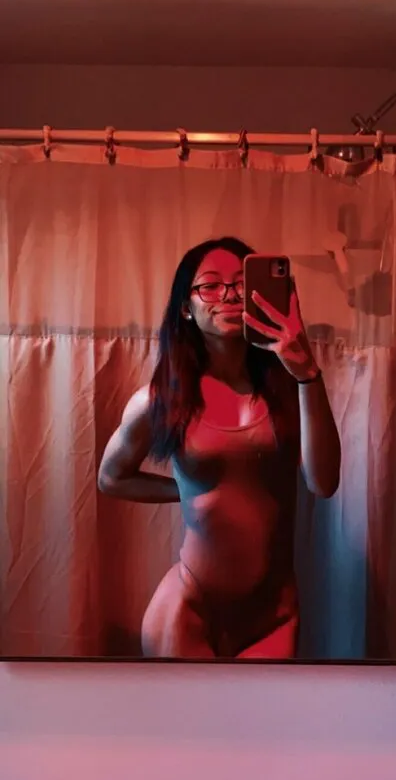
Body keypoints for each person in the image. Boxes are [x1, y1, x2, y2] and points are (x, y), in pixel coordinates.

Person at [97, 236, 341, 659]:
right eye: (210, 285)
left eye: (242, 284)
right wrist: (187, 491)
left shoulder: (292, 391)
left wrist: (307, 373)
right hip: (188, 609)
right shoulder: (159, 401)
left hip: (275, 617)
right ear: (185, 308)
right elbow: (110, 479)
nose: (229, 294)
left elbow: (323, 483)